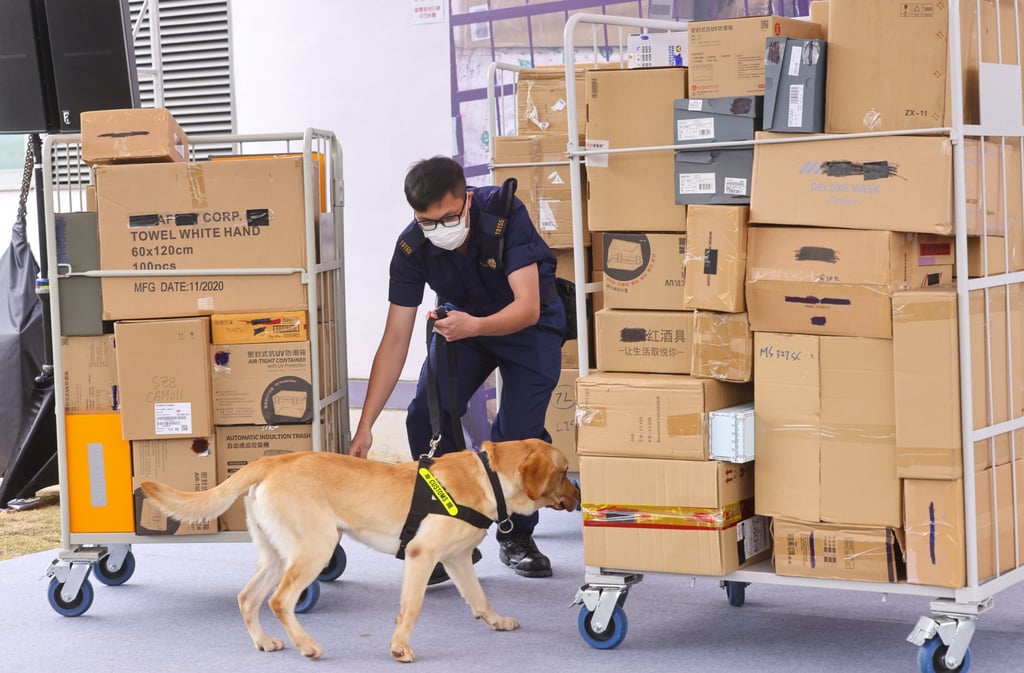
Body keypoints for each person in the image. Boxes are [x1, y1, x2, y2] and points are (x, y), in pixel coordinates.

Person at [349, 155, 566, 580]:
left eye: (448, 218)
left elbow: (527, 307)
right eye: (427, 222)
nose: (439, 230)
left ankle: (516, 534)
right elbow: (395, 339)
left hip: (529, 328)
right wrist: (366, 425)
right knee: (424, 415)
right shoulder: (412, 246)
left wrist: (476, 326)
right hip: (462, 326)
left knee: (516, 438)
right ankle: (453, 534)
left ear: (466, 198)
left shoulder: (503, 215)